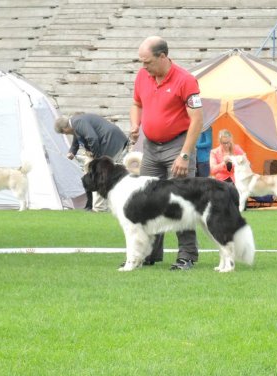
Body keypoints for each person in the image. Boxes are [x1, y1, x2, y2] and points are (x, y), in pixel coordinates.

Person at [129, 36, 203, 270]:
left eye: (147, 62)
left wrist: (184, 154)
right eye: (141, 62)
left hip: (176, 146)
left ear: (163, 57)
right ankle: (150, 253)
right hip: (150, 147)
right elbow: (137, 103)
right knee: (148, 202)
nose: (144, 67)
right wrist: (135, 124)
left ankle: (187, 255)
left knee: (179, 202)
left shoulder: (186, 80)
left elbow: (197, 120)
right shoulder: (143, 76)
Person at [55, 113, 129, 212]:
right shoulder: (76, 123)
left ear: (64, 129)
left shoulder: (77, 122)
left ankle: (99, 208)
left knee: (100, 175)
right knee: (96, 175)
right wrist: (72, 152)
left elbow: (92, 138)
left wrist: (97, 159)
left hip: (111, 141)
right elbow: (77, 139)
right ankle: (93, 205)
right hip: (109, 141)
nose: (66, 134)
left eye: (64, 133)